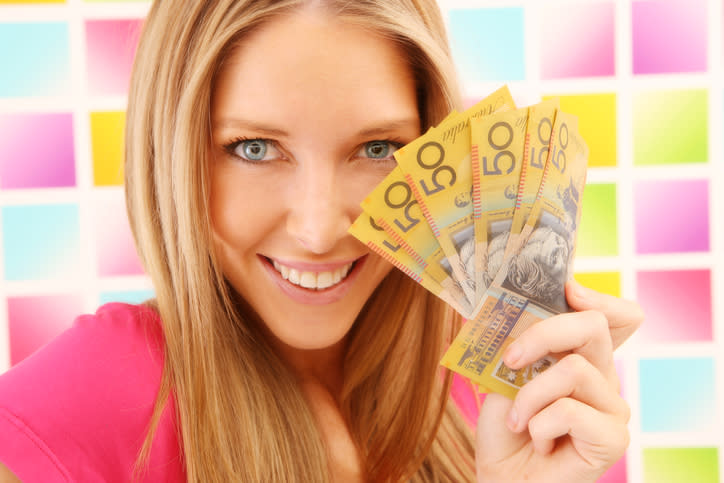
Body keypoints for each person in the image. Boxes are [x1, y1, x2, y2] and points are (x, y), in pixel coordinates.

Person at [0, 0, 644, 481]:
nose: (317, 231)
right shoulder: (79, 401)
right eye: (254, 149)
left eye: (377, 148)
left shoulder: (505, 388)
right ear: (172, 154)